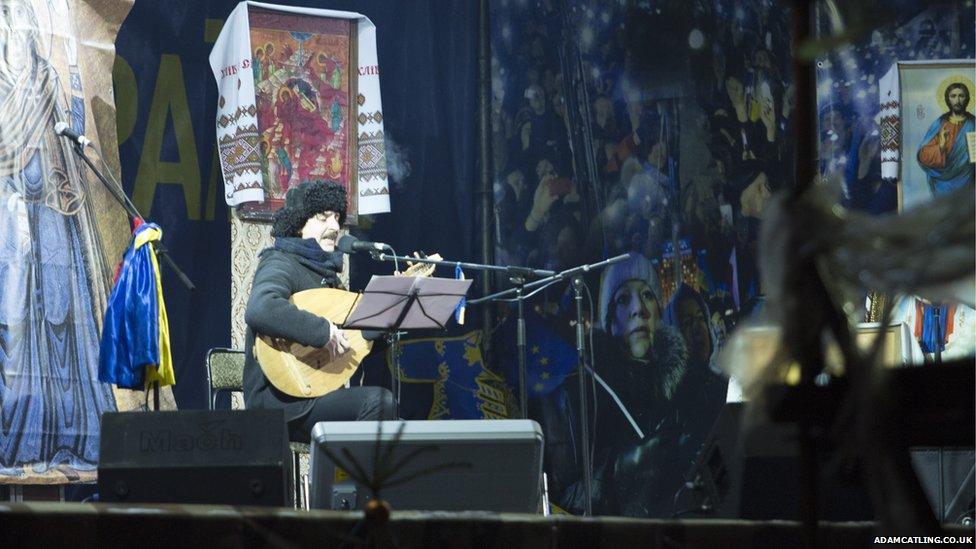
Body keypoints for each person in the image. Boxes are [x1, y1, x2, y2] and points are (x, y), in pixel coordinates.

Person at [0, 0, 117, 475]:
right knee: (15, 319)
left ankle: (67, 433)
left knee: (62, 315)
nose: (17, 38)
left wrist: (57, 190)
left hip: (49, 211)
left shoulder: (44, 78)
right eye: (11, 30)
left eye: (22, 30)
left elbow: (56, 153)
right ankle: (18, 439)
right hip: (9, 219)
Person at [243, 180, 395, 443]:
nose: (335, 227)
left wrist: (386, 323)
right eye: (323, 217)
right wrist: (322, 331)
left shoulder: (328, 278)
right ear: (299, 224)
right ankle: (348, 484)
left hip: (315, 395)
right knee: (378, 402)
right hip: (279, 402)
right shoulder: (280, 262)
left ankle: (346, 481)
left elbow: (351, 341)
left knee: (402, 431)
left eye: (337, 218)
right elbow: (261, 308)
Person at [916, 82, 975, 196]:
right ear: (948, 99)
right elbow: (923, 156)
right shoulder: (940, 124)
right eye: (953, 96)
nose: (957, 100)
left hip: (969, 182)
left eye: (961, 96)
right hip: (942, 185)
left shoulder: (974, 123)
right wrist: (940, 146)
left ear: (967, 98)